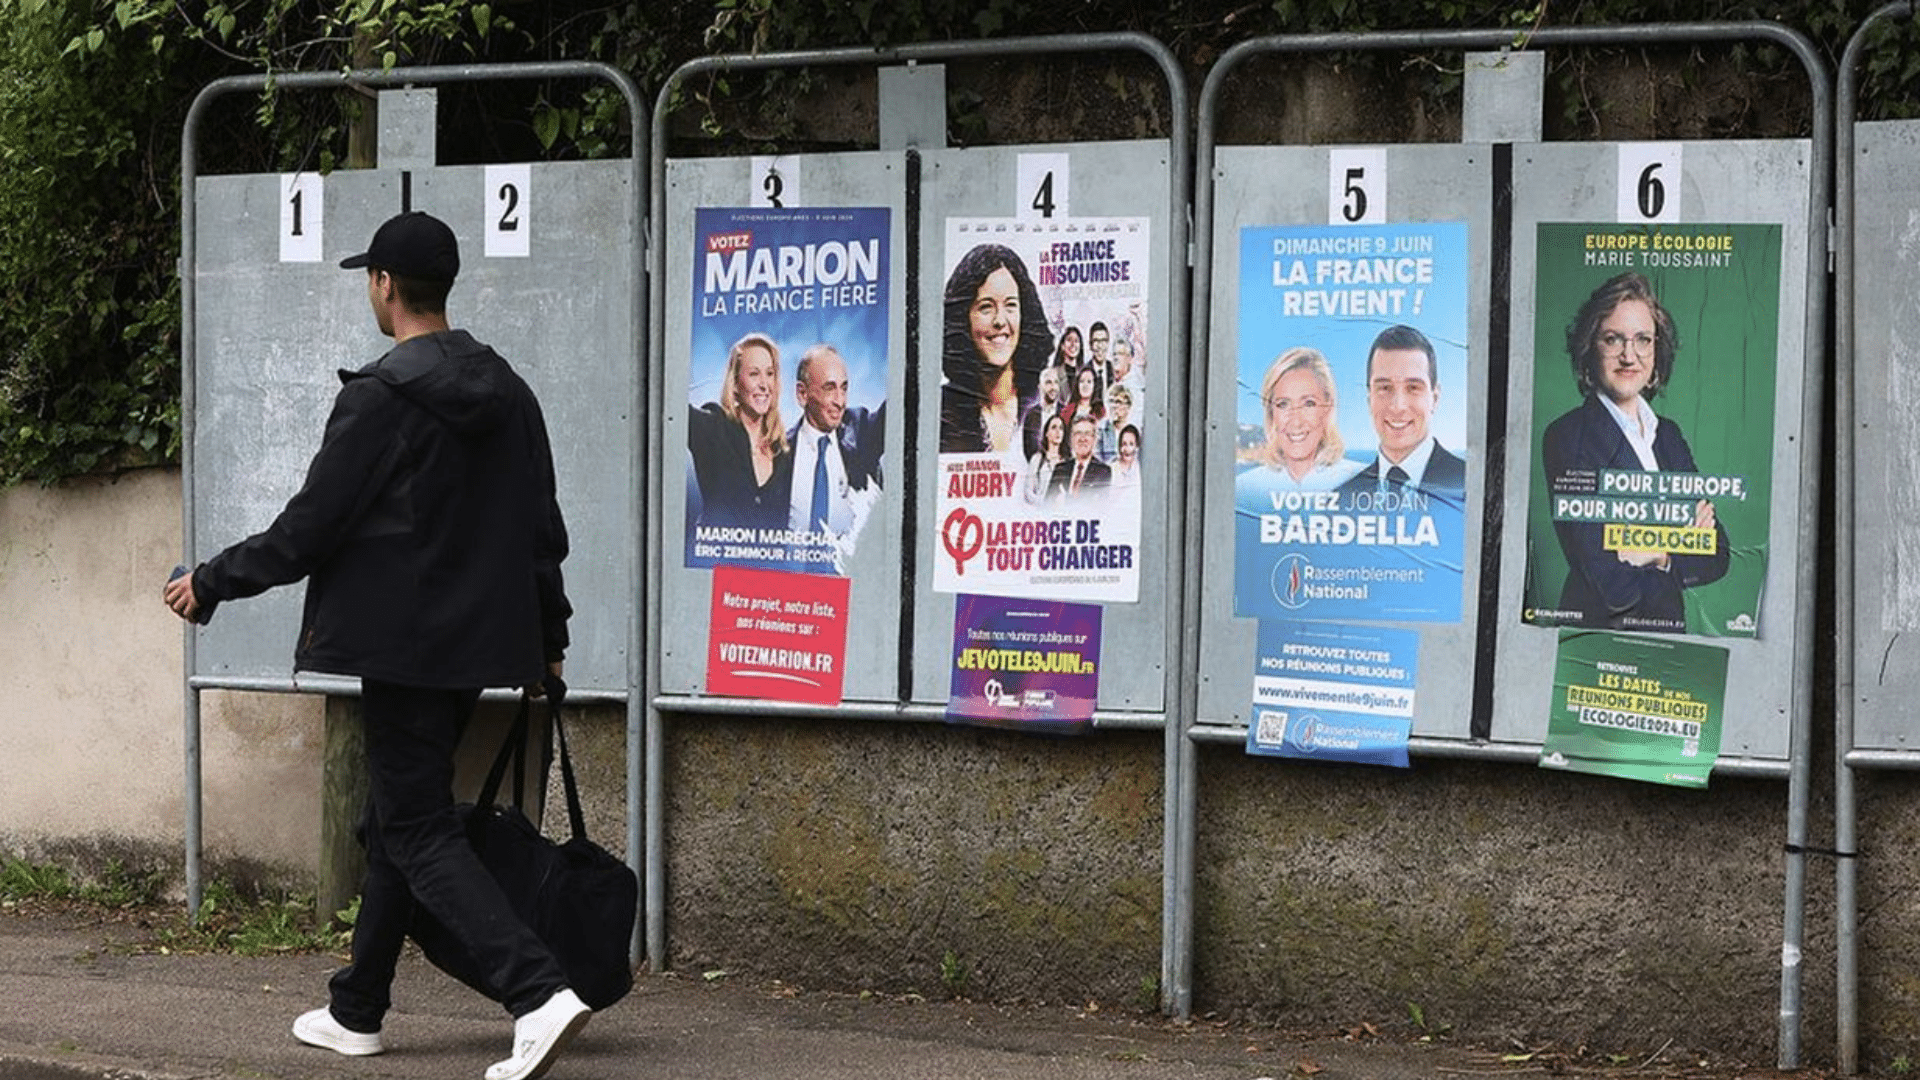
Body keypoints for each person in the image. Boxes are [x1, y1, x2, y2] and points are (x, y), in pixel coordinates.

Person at [160, 211, 592, 1080]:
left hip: (404, 651)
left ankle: (538, 992)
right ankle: (357, 1009)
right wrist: (550, 641)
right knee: (397, 820)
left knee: (419, 826)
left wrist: (211, 581)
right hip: (479, 650)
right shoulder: (510, 392)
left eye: (370, 278)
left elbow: (310, 528)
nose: (371, 289)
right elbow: (542, 530)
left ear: (386, 285)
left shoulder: (381, 396)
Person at [1541, 271, 1729, 631]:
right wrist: (1680, 539)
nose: (1630, 356)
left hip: (1670, 633)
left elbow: (1717, 553)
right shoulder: (1568, 436)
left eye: (1643, 340)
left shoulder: (1668, 435)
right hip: (1599, 637)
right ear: (1589, 346)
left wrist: (1656, 553)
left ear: (1657, 350)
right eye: (1613, 339)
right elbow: (1608, 577)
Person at [940, 244, 1053, 455]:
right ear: (963, 317)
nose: (1000, 320)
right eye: (985, 307)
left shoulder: (1047, 405)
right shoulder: (939, 412)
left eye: (1010, 305)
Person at [1338, 324, 1466, 501]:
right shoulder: (1342, 499)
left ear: (1434, 399)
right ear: (1369, 400)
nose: (1397, 406)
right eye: (1384, 388)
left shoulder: (1469, 486)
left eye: (1413, 387)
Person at [785, 343, 884, 550]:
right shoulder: (780, 453)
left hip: (850, 575)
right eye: (829, 389)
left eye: (844, 388)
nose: (840, 401)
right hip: (792, 577)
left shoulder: (861, 430)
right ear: (802, 394)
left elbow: (901, 403)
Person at [687, 332, 790, 530]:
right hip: (717, 559)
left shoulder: (784, 451)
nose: (764, 384)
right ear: (734, 384)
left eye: (770, 374)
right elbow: (669, 408)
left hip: (767, 560)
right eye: (754, 374)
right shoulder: (713, 428)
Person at [1236, 347, 1363, 494]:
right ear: (1271, 412)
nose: (1296, 421)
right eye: (1283, 404)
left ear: (1328, 407)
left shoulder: (1362, 484)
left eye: (1309, 403)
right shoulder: (1243, 489)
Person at [1046, 413, 1111, 503]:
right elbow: (1047, 504)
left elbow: (1098, 508)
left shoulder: (1103, 472)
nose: (1082, 438)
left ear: (1095, 439)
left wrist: (1065, 500)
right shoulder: (1059, 469)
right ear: (1072, 439)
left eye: (1087, 433)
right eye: (1078, 433)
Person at [1025, 411, 1068, 504]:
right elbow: (1028, 491)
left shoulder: (1067, 460)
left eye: (1061, 428)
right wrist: (1044, 502)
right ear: (1046, 433)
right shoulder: (1037, 459)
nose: (1058, 432)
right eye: (1053, 427)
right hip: (1042, 512)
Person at [1111, 423, 1143, 491]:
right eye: (1124, 444)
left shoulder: (1139, 469)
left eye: (1131, 444)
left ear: (1136, 446)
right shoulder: (1112, 469)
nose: (1127, 449)